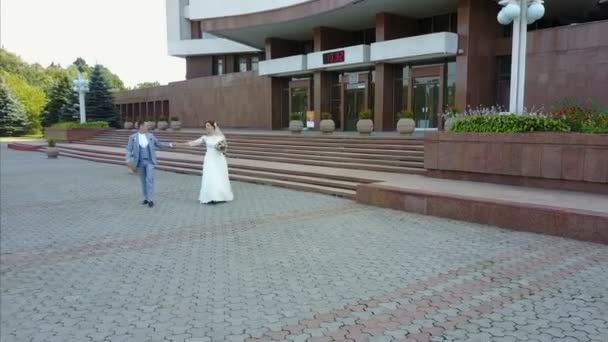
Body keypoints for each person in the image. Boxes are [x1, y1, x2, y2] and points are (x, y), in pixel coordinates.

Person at [125, 120, 175, 207]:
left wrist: (170, 145)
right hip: (139, 162)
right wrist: (127, 160)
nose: (148, 127)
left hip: (150, 161)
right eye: (146, 126)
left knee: (149, 179)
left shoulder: (151, 136)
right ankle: (146, 198)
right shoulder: (133, 137)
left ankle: (150, 199)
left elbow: (159, 144)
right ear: (141, 126)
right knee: (143, 181)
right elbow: (129, 149)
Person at [183, 121, 233, 204]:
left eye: (208, 125)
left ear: (213, 127)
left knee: (219, 176)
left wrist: (222, 148)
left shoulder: (221, 137)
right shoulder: (205, 137)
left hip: (219, 159)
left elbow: (225, 148)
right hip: (209, 159)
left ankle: (220, 195)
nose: (207, 127)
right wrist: (180, 144)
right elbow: (194, 143)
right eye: (206, 126)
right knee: (210, 176)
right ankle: (210, 196)